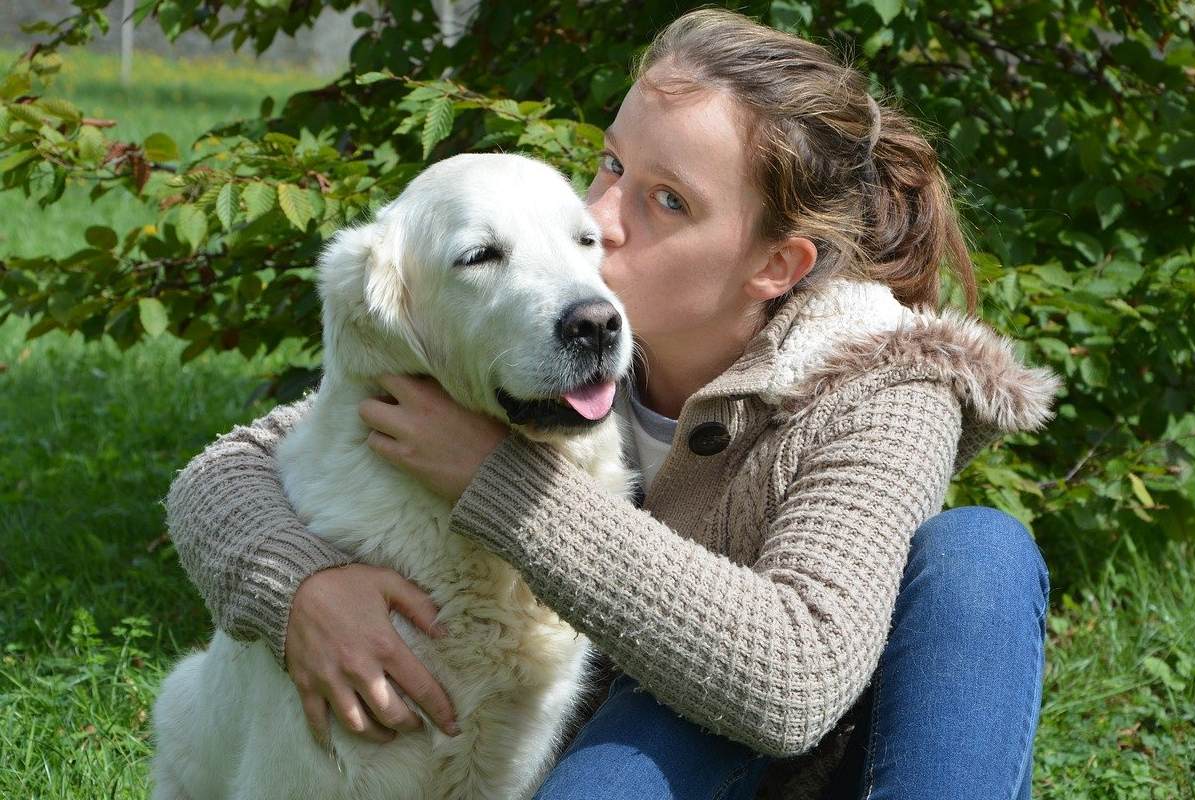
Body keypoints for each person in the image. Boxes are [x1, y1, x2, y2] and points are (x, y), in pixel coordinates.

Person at [163, 8, 1061, 799]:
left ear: (773, 267)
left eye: (667, 200)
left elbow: (791, 685)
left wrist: (500, 483)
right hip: (644, 736)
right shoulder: (551, 333)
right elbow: (228, 469)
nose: (605, 215)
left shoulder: (882, 389)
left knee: (981, 551)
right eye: (611, 164)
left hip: (804, 759)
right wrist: (302, 587)